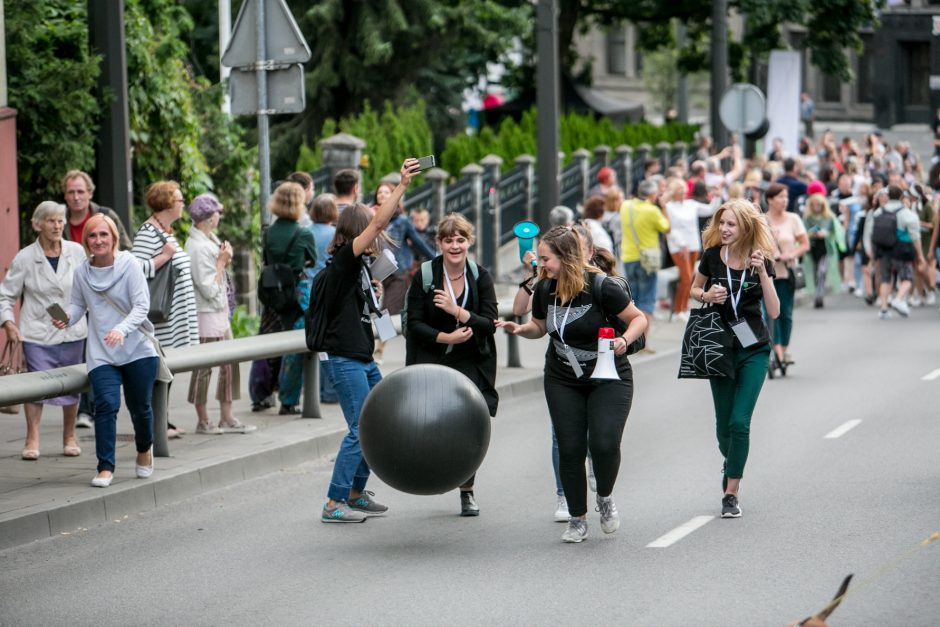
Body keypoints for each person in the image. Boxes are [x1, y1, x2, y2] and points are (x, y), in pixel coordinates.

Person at [496, 226, 647, 543]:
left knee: (604, 444)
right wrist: (521, 329)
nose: (540, 264)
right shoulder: (545, 288)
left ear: (565, 258)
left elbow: (639, 319)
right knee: (570, 447)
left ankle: (604, 497)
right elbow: (539, 326)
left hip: (607, 372)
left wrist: (624, 339)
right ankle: (578, 518)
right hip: (562, 375)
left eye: (545, 258)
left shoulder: (602, 286)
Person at [318, 158, 420, 523]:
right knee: (360, 428)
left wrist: (373, 291)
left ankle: (356, 493)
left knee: (377, 424)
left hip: (361, 356)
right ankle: (333, 503)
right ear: (358, 232)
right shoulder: (344, 261)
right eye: (370, 233)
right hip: (344, 358)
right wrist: (402, 185)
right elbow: (379, 221)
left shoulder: (359, 270)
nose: (377, 237)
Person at [688, 199, 780, 518]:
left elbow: (774, 311)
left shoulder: (761, 258)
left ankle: (731, 492)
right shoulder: (713, 256)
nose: (724, 229)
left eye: (731, 224)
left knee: (740, 422)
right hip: (718, 347)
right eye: (722, 223)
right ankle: (733, 461)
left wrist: (763, 273)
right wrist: (706, 295)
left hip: (753, 347)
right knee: (723, 428)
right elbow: (693, 289)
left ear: (746, 228)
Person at [53, 214, 158, 488]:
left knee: (141, 409)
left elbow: (141, 306)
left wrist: (121, 329)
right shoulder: (82, 273)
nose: (98, 240)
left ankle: (145, 449)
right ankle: (105, 467)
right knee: (106, 406)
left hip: (137, 349)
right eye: (92, 236)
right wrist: (66, 318)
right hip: (101, 353)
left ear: (114, 237)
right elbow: (78, 305)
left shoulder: (130, 265)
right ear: (86, 241)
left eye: (103, 235)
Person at [404, 213, 498, 516]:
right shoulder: (426, 275)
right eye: (448, 240)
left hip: (471, 361)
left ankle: (467, 490)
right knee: (432, 424)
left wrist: (457, 311)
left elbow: (489, 323)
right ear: (439, 243)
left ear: (469, 241)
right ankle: (435, 474)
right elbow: (414, 324)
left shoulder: (480, 275)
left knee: (469, 426)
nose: (455, 245)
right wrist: (446, 337)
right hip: (433, 358)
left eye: (460, 239)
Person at [0, 201, 88, 460]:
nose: (57, 225)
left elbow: (88, 289)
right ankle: (32, 437)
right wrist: (9, 324)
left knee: (73, 385)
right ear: (37, 224)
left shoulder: (76, 251)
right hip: (37, 332)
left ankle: (69, 436)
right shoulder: (25, 257)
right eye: (51, 221)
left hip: (73, 331)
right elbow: (5, 296)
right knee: (36, 387)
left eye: (60, 220)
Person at [61, 170, 132, 429]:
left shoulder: (105, 215)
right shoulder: (61, 220)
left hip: (105, 292)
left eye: (81, 191)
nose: (76, 197)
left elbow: (124, 246)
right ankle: (84, 407)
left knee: (97, 346)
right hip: (76, 291)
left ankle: (88, 409)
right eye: (71, 192)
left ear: (89, 193)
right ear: (65, 195)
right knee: (84, 349)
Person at [131, 180, 199, 438]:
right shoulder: (149, 232)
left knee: (166, 371)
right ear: (166, 203)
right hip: (163, 319)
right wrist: (164, 256)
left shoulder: (165, 231)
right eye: (179, 200)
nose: (183, 204)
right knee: (160, 370)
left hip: (175, 317)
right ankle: (155, 424)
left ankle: (163, 420)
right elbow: (135, 268)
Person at [183, 194, 254, 434]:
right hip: (207, 314)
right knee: (204, 368)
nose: (219, 217)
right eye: (217, 213)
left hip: (218, 312)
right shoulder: (196, 247)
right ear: (208, 218)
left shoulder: (208, 239)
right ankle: (203, 420)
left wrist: (224, 259)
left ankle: (227, 416)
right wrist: (222, 263)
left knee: (229, 364)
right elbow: (208, 287)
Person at [264, 182, 318, 415]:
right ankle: (288, 399)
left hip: (273, 292)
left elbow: (267, 260)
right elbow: (312, 261)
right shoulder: (304, 233)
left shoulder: (269, 232)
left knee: (269, 343)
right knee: (297, 347)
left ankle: (262, 393)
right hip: (298, 292)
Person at [373, 180, 436, 364]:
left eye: (386, 192)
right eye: (380, 192)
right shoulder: (373, 217)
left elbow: (419, 243)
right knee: (380, 310)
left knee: (388, 309)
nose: (382, 195)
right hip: (377, 272)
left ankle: (379, 348)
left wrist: (438, 259)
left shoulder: (402, 220)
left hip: (398, 272)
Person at [620, 179, 670, 348]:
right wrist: (663, 207)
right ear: (652, 195)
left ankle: (630, 337)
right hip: (648, 260)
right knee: (647, 299)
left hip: (628, 257)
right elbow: (667, 227)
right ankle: (643, 342)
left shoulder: (625, 206)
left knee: (631, 300)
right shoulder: (652, 211)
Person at [863, 185, 925, 319]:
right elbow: (915, 236)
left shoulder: (879, 212)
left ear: (888, 196)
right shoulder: (907, 213)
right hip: (901, 249)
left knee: (885, 278)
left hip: (883, 249)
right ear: (902, 197)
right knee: (907, 278)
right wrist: (920, 255)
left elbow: (871, 232)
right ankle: (898, 298)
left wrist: (871, 252)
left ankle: (884, 309)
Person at [764, 183, 809, 369]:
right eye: (780, 197)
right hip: (766, 275)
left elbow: (805, 244)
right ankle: (777, 351)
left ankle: (784, 347)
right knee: (769, 314)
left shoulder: (793, 219)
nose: (785, 201)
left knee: (786, 314)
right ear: (770, 200)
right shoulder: (761, 220)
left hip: (787, 273)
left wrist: (790, 255)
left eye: (786, 197)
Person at [663, 178, 719, 320]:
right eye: (679, 189)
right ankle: (678, 310)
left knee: (689, 277)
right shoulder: (669, 207)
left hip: (693, 245)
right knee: (686, 277)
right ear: (674, 191)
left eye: (683, 189)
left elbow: (711, 209)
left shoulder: (691, 204)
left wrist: (717, 196)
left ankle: (683, 307)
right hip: (679, 247)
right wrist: (681, 244)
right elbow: (669, 229)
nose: (682, 191)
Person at [306, 193, 339, 404]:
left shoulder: (305, 232)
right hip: (328, 292)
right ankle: (329, 391)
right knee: (329, 343)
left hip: (307, 291)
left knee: (314, 341)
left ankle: (313, 390)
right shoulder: (336, 234)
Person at [802, 193, 839, 308]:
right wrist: (812, 234)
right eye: (814, 204)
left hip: (825, 247)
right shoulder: (807, 218)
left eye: (819, 204)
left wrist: (825, 233)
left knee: (822, 271)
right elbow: (803, 232)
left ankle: (819, 295)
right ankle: (816, 293)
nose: (817, 206)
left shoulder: (829, 217)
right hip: (812, 248)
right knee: (814, 272)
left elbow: (835, 231)